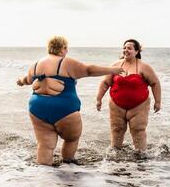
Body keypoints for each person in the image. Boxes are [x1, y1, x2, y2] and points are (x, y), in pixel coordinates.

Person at [17, 36, 124, 166]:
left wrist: (20, 82)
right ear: (63, 48)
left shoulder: (35, 64)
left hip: (37, 108)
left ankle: (44, 176)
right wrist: (113, 70)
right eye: (66, 48)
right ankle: (68, 166)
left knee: (45, 144)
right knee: (71, 139)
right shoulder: (65, 62)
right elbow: (89, 70)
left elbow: (27, 80)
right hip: (64, 109)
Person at [96, 39, 161, 158]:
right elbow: (105, 82)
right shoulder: (115, 65)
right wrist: (98, 99)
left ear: (137, 51)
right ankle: (114, 157)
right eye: (125, 48)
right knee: (117, 129)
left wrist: (158, 102)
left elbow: (155, 83)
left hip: (139, 106)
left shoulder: (144, 66)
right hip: (117, 105)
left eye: (129, 48)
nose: (126, 50)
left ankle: (141, 158)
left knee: (138, 130)